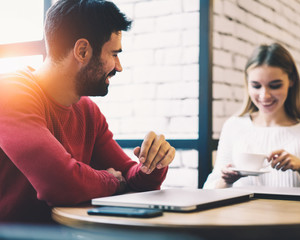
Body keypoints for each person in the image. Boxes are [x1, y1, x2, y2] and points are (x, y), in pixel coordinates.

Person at [0, 0, 175, 222]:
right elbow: (60, 184)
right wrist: (113, 181)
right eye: (114, 54)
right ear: (82, 51)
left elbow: (130, 177)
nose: (119, 66)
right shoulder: (9, 92)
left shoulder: (88, 111)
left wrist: (152, 164)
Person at [203, 43, 300, 190]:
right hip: (242, 213)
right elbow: (209, 190)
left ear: (291, 81)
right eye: (256, 86)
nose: (264, 95)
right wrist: (227, 180)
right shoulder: (234, 126)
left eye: (275, 85)